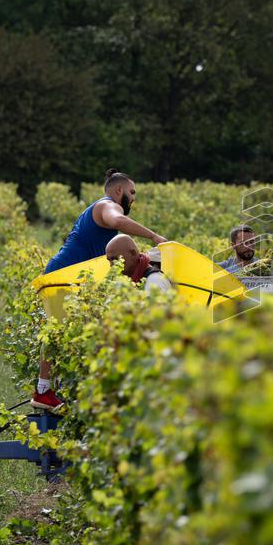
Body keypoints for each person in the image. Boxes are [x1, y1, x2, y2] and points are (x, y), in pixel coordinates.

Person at [32, 168, 168, 411]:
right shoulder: (107, 205)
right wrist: (154, 236)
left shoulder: (99, 210)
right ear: (119, 190)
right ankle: (43, 391)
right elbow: (118, 221)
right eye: (132, 192)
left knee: (66, 331)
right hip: (64, 275)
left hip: (67, 274)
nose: (133, 198)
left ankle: (52, 389)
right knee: (58, 332)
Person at [105, 235, 171, 292]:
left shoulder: (154, 281)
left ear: (133, 254)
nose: (111, 265)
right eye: (109, 260)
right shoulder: (133, 280)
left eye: (115, 259)